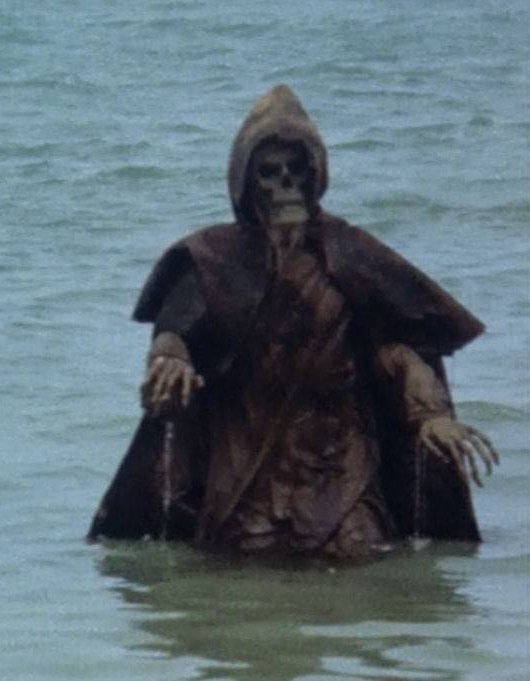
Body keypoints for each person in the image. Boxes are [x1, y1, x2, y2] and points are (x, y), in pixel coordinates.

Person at [87, 85, 498, 560]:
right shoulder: (211, 259)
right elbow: (176, 332)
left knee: (360, 556)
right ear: (246, 182)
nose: (285, 184)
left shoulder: (351, 252)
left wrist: (432, 415)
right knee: (241, 564)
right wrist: (168, 362)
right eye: (269, 172)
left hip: (339, 454)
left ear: (315, 174)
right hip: (246, 455)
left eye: (295, 169)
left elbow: (397, 350)